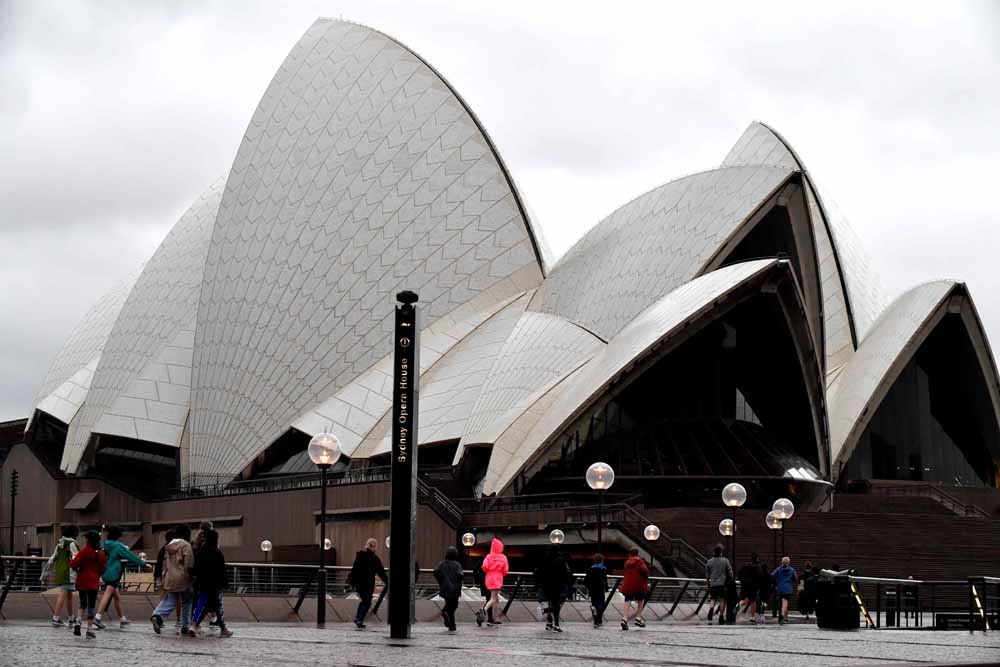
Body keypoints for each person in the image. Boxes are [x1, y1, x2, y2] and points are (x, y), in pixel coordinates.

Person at [94, 525, 148, 629]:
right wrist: (143, 564)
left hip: (105, 572)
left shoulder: (105, 544)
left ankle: (122, 619)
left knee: (116, 597)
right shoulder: (118, 546)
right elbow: (130, 556)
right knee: (107, 594)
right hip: (113, 573)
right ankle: (98, 617)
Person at [151, 524, 196, 636]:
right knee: (187, 601)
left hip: (170, 577)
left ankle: (157, 615)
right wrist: (191, 577)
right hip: (183, 578)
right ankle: (185, 626)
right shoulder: (186, 545)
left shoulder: (169, 545)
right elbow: (189, 563)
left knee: (170, 600)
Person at [191, 529, 232, 637]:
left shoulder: (202, 552)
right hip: (215, 585)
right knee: (218, 606)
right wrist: (225, 583)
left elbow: (197, 568)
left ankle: (194, 625)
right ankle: (223, 628)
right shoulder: (217, 552)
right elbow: (222, 570)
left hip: (203, 583)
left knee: (200, 604)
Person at [40, 524, 79, 627]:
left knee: (69, 595)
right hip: (69, 573)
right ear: (74, 533)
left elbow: (53, 557)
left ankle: (71, 618)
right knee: (63, 593)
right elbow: (76, 558)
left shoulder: (60, 544)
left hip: (60, 571)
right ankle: (55, 618)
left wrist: (45, 571)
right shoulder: (73, 543)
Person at [70, 531, 106, 639]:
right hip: (93, 582)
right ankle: (89, 630)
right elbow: (103, 569)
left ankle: (78, 622)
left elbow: (73, 564)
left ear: (88, 540)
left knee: (82, 603)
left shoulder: (84, 551)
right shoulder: (100, 553)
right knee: (91, 606)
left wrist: (78, 568)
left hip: (82, 581)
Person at [348, 538, 387, 629]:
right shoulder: (375, 559)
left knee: (364, 600)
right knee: (367, 602)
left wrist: (352, 582)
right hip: (368, 584)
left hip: (359, 583)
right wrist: (387, 581)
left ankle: (358, 618)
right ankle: (359, 619)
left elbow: (354, 570)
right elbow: (381, 572)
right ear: (375, 547)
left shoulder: (360, 556)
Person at [476, 538, 508, 627]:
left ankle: (496, 618)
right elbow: (505, 570)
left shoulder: (488, 556)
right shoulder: (503, 557)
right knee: (493, 598)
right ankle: (484, 609)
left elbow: (484, 567)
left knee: (496, 598)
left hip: (489, 578)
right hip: (497, 578)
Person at [433, 546, 464, 633]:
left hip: (445, 588)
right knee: (453, 606)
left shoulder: (442, 564)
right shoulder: (457, 564)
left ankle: (451, 625)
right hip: (455, 589)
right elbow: (460, 575)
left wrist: (441, 580)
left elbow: (435, 572)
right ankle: (447, 616)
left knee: (449, 605)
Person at [540, 547, 571, 632]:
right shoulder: (561, 560)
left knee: (550, 602)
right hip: (557, 585)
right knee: (557, 604)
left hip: (547, 585)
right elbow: (565, 573)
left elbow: (541, 572)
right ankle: (556, 625)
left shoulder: (546, 559)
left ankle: (549, 621)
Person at [620, 547, 650, 630]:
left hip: (628, 584)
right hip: (639, 584)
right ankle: (638, 618)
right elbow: (645, 571)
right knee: (641, 599)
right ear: (637, 553)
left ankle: (624, 619)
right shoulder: (640, 561)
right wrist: (646, 577)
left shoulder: (627, 562)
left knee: (627, 600)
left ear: (630, 553)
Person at [705, 545, 733, 625]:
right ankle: (721, 617)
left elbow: (707, 575)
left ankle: (711, 608)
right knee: (722, 600)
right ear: (721, 552)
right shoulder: (725, 560)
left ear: (714, 552)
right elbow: (730, 572)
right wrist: (731, 579)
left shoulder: (709, 561)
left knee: (713, 598)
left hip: (713, 584)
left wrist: (708, 585)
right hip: (723, 584)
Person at [771, 556, 798, 625]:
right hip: (788, 589)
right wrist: (791, 580)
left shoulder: (778, 569)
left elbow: (772, 576)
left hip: (780, 588)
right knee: (785, 602)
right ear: (789, 562)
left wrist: (776, 582)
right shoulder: (792, 570)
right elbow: (796, 578)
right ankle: (782, 615)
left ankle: (782, 617)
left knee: (781, 602)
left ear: (782, 562)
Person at [738, 552, 762, 624]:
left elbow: (739, 573)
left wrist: (742, 581)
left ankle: (738, 604)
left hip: (745, 585)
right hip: (753, 585)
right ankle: (752, 617)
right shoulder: (757, 567)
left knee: (747, 598)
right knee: (753, 601)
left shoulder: (745, 566)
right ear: (757, 558)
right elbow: (759, 576)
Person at [585, 554, 609, 628]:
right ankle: (599, 621)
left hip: (593, 589)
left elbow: (586, 580)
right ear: (602, 561)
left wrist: (589, 587)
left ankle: (595, 621)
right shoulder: (603, 569)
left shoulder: (591, 569)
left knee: (594, 603)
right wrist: (606, 588)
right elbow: (605, 580)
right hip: (600, 589)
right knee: (601, 604)